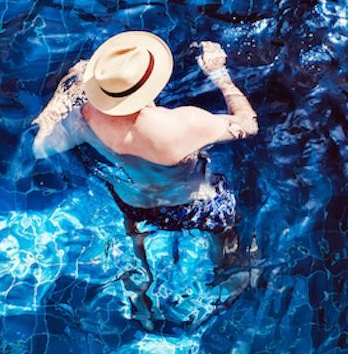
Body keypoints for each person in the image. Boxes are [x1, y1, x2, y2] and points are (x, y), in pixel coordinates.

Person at [28, 31, 257, 297]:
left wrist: (62, 97)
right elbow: (249, 124)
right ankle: (228, 277)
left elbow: (38, 149)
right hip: (196, 204)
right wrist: (219, 74)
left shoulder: (83, 120)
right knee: (223, 234)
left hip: (135, 206)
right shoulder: (183, 124)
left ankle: (141, 282)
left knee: (137, 238)